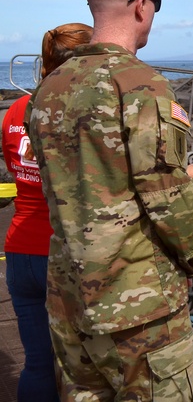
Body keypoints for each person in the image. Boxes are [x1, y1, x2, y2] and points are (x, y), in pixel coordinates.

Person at [28, 0, 193, 400]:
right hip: (141, 308)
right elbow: (166, 195)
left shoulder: (49, 88)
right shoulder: (141, 84)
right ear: (141, 4)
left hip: (70, 300)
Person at [3, 22, 93, 402]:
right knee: (86, 369)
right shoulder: (78, 112)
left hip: (20, 250)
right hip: (64, 254)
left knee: (37, 364)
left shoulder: (15, 111)